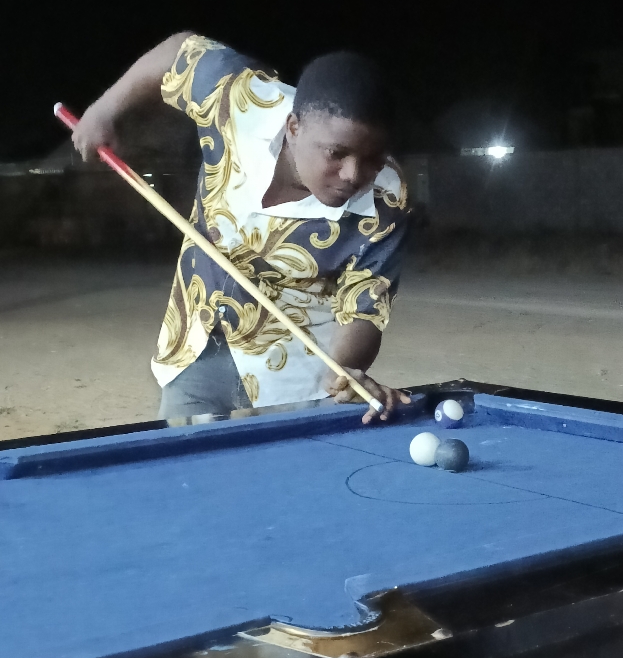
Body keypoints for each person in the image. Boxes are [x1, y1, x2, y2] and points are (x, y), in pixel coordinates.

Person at [72, 32, 412, 424]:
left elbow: (364, 307)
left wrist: (345, 371)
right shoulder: (240, 101)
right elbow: (180, 49)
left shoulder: (387, 198)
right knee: (189, 460)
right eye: (336, 153)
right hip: (194, 346)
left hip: (296, 372)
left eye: (372, 158)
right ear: (294, 127)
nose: (354, 174)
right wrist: (103, 110)